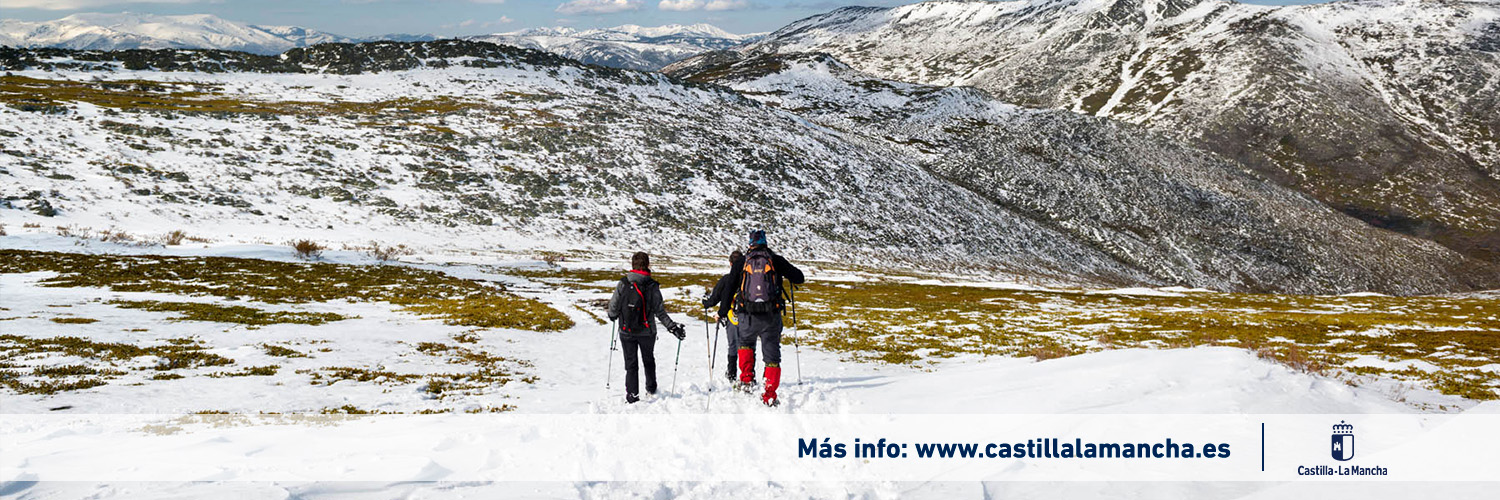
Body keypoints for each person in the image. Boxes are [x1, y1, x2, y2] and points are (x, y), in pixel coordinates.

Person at [734, 230, 805, 406]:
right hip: (771, 317)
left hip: (748, 315)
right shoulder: (775, 260)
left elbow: (729, 284)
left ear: (750, 243)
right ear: (766, 242)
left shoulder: (743, 262)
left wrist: (722, 310)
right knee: (772, 356)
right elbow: (799, 278)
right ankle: (769, 394)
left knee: (745, 345)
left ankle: (746, 382)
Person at [607, 251, 687, 404]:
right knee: (648, 359)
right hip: (647, 331)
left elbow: (614, 307)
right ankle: (651, 388)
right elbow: (660, 312)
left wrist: (612, 315)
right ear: (648, 265)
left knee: (631, 364)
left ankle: (632, 396)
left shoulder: (623, 283)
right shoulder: (652, 286)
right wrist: (673, 328)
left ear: (633, 265)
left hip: (626, 330)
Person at [702, 250, 745, 382]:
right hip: (749, 316)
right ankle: (748, 375)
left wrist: (706, 303)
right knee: (747, 346)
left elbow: (714, 298)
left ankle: (731, 373)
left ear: (731, 263)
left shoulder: (726, 279)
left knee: (733, 344)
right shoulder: (749, 278)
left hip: (732, 316)